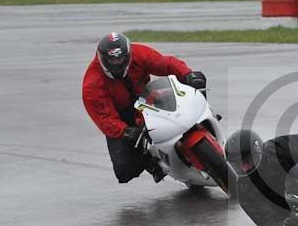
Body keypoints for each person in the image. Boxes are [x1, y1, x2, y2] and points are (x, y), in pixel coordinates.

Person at [82, 32, 207, 183]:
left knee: (195, 85)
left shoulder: (139, 53)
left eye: (121, 58)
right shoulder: (92, 84)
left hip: (148, 97)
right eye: (112, 59)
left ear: (128, 54)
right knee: (124, 170)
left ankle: (204, 119)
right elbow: (104, 118)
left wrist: (187, 74)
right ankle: (153, 162)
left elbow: (165, 63)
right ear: (102, 58)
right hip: (120, 115)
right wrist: (124, 131)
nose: (117, 63)